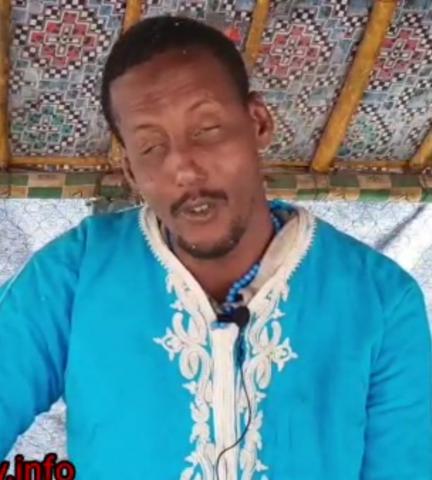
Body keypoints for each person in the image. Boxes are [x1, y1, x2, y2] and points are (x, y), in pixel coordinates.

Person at [0, 15, 431, 480]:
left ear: (258, 123)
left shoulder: (381, 301)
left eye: (206, 129)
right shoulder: (73, 276)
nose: (184, 168)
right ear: (129, 170)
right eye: (150, 147)